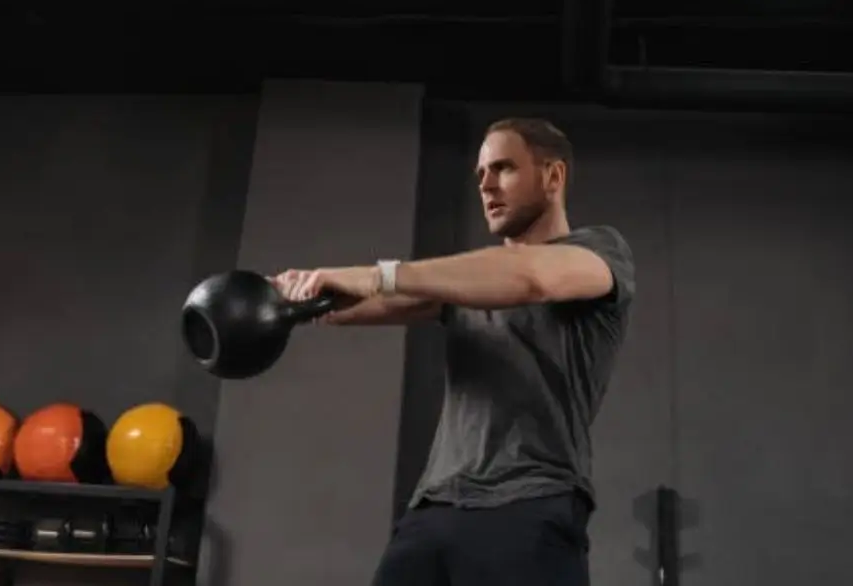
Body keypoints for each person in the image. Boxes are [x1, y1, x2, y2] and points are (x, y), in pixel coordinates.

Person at [272, 117, 635, 586]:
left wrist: (379, 273)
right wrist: (276, 295)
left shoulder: (601, 251)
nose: (485, 185)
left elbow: (532, 278)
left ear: (553, 177)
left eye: (503, 169)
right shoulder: (461, 284)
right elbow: (347, 302)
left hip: (529, 503)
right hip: (435, 507)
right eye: (480, 174)